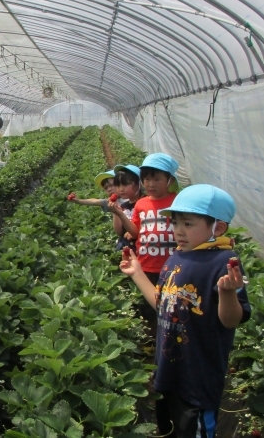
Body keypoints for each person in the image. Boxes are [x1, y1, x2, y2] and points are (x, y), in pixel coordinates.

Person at [119, 184, 250, 437]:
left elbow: (232, 320)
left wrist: (227, 292)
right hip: (167, 372)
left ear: (217, 228)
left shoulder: (224, 262)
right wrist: (136, 273)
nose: (178, 231)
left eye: (188, 224)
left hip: (198, 381)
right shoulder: (176, 257)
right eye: (176, 223)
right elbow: (163, 304)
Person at [120, 153, 180, 286]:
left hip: (173, 263)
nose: (151, 184)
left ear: (170, 180)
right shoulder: (141, 203)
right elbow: (135, 232)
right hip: (146, 263)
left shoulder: (178, 201)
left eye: (157, 180)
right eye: (147, 180)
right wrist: (120, 214)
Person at [107, 165, 143, 251]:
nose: (121, 189)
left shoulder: (145, 203)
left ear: (138, 184)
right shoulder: (123, 206)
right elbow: (119, 232)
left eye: (125, 184)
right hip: (127, 247)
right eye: (118, 185)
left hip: (141, 247)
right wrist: (115, 212)